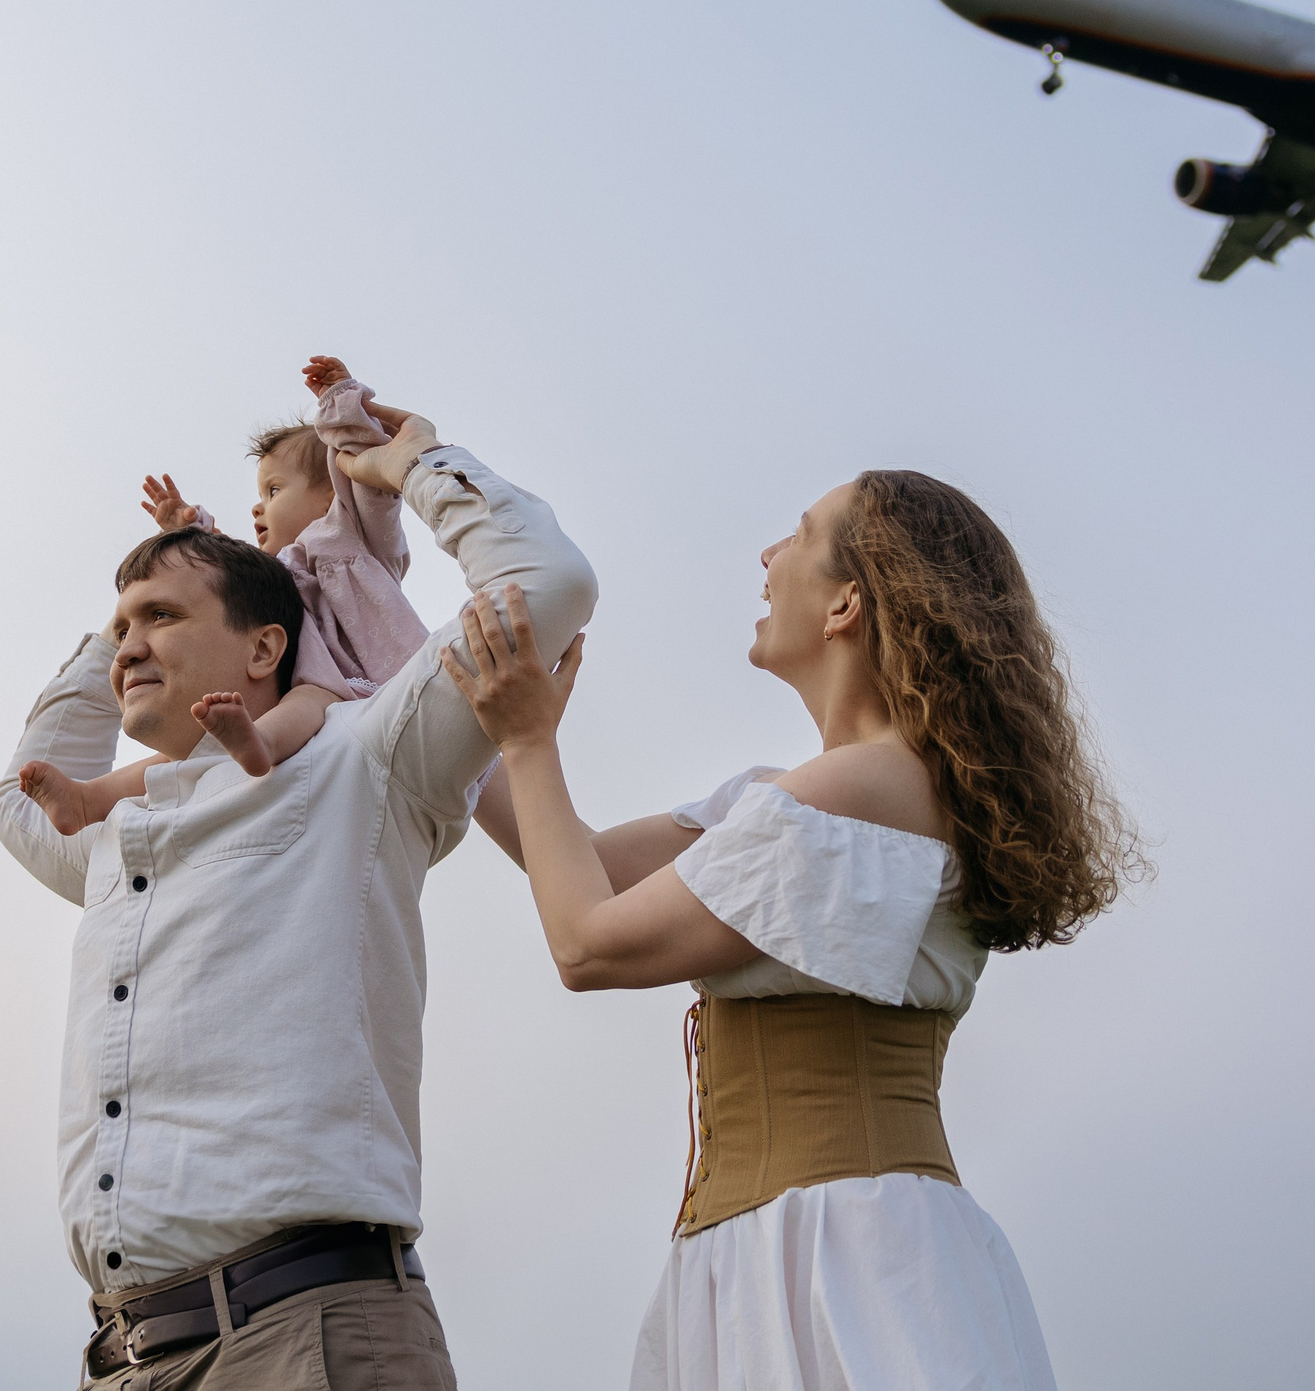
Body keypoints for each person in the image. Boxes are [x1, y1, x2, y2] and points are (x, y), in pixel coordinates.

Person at [445, 470, 1145, 1391]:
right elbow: (577, 862)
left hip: (843, 1260)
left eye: (798, 534)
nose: (768, 557)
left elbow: (589, 941)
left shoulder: (860, 791)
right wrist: (384, 653)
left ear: (849, 599)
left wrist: (532, 740)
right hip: (771, 1255)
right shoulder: (809, 795)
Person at [0, 386, 597, 1389]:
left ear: (267, 647)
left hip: (302, 1336)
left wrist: (405, 464)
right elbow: (20, 802)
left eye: (161, 619)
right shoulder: (118, 839)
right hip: (124, 1359)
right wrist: (138, 599)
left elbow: (548, 578)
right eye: (120, 627)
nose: (130, 644)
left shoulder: (363, 760)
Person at [18, 356, 443, 834]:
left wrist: (341, 402)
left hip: (346, 687)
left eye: (276, 488)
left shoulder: (357, 537)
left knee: (305, 701)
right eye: (259, 493)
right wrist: (191, 532)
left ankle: (259, 746)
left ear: (331, 494)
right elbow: (223, 578)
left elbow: (368, 471)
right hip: (284, 689)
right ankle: (88, 797)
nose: (259, 506)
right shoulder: (281, 569)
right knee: (182, 757)